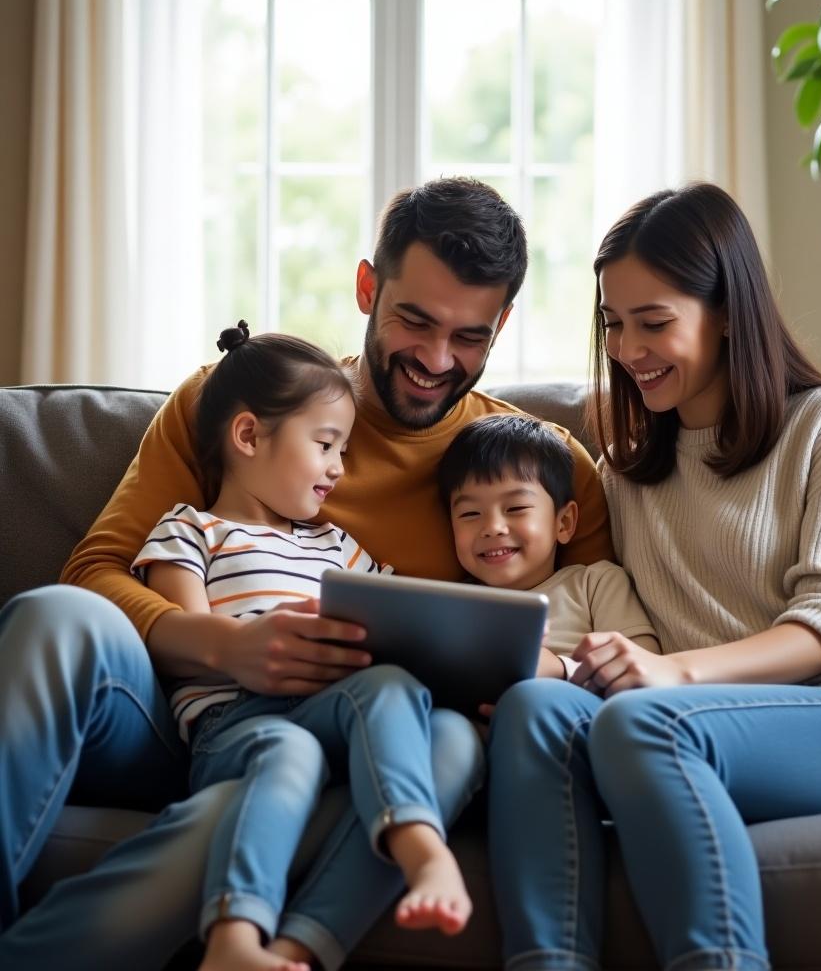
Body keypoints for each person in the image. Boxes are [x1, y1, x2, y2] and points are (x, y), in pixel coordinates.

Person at [0, 177, 614, 971]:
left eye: (470, 336)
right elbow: (95, 571)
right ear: (368, 287)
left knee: (282, 793)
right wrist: (224, 649)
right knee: (55, 619)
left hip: (352, 753)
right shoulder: (238, 403)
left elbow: (584, 641)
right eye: (414, 321)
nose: (436, 359)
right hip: (185, 716)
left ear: (502, 324)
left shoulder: (539, 469)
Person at [486, 184, 821, 971]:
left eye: (654, 322)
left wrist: (671, 674)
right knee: (537, 710)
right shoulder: (628, 471)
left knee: (645, 722)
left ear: (729, 313)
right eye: (613, 322)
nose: (626, 348)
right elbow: (581, 604)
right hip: (701, 724)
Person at [133, 320, 478, 971]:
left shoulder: (335, 547)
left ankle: (420, 850)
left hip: (332, 718)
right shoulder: (193, 530)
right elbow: (186, 648)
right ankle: (233, 941)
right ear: (247, 435)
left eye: (342, 450)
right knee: (286, 746)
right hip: (236, 725)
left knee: (395, 687)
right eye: (326, 445)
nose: (339, 470)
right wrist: (249, 643)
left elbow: (407, 620)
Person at [437, 413, 659, 686]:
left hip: (566, 711)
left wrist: (559, 668)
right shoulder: (452, 604)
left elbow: (643, 669)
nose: (493, 527)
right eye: (470, 513)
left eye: (516, 508)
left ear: (563, 522)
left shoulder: (595, 584)